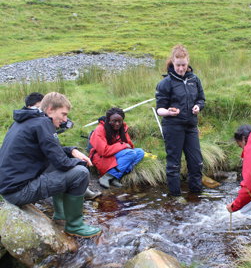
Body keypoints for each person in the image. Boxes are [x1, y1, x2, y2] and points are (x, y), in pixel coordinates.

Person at [0, 92, 101, 238]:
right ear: (50, 109)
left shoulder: (25, 120)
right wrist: (82, 162)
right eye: (63, 114)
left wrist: (71, 150)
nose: (65, 120)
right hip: (19, 192)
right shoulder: (42, 123)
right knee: (80, 173)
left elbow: (52, 151)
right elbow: (62, 162)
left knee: (58, 167)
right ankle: (75, 226)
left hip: (8, 188)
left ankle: (60, 215)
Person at [23, 92, 100, 200]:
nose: (40, 111)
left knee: (62, 163)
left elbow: (51, 148)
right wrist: (81, 162)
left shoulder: (29, 121)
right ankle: (67, 200)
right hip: (25, 181)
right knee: (70, 169)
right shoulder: (38, 124)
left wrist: (71, 150)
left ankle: (66, 204)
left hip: (23, 175)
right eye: (37, 108)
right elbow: (60, 161)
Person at [155, 44, 206, 197]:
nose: (181, 68)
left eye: (184, 65)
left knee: (196, 162)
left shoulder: (194, 80)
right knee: (174, 164)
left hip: (191, 126)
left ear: (187, 62)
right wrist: (168, 112)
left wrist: (198, 106)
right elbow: (159, 109)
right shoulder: (166, 83)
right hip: (173, 126)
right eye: (178, 65)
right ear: (172, 62)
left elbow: (201, 99)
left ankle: (196, 195)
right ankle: (175, 197)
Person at [89, 107, 145, 188]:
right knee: (131, 153)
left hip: (114, 154)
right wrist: (123, 146)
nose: (117, 124)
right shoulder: (100, 129)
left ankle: (114, 177)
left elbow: (130, 145)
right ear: (109, 120)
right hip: (100, 157)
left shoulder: (122, 128)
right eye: (114, 121)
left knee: (140, 152)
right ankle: (106, 177)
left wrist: (125, 146)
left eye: (120, 121)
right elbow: (103, 151)